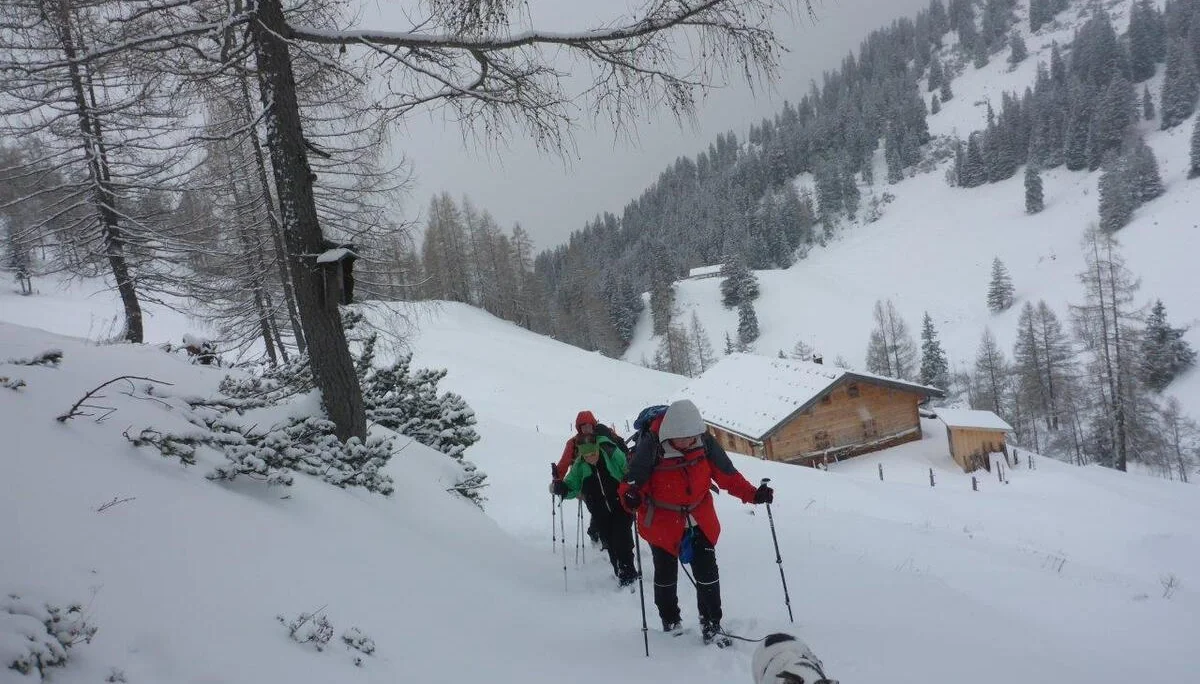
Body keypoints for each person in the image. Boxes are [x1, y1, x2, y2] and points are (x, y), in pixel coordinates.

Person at [618, 399, 774, 645]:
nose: (689, 442)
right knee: (666, 576)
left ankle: (712, 624)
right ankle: (670, 621)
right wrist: (631, 496)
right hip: (661, 522)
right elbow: (631, 485)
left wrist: (754, 494)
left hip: (699, 518)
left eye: (693, 438)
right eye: (683, 438)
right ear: (670, 433)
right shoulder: (651, 446)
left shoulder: (704, 442)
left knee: (708, 573)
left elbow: (728, 476)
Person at [550, 429, 638, 586]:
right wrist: (561, 488)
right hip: (599, 511)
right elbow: (572, 486)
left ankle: (629, 574)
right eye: (587, 455)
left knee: (622, 539)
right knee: (610, 542)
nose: (591, 457)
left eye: (593, 453)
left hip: (621, 505)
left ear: (597, 447)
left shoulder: (611, 452)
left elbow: (627, 469)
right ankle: (619, 571)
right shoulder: (579, 466)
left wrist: (632, 488)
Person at [553, 411, 624, 546]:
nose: (586, 428)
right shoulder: (573, 443)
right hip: (582, 480)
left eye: (588, 425)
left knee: (608, 504)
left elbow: (619, 454)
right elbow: (564, 462)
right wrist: (559, 480)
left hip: (608, 478)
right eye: (582, 426)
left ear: (593, 425)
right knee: (597, 504)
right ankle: (602, 536)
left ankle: (602, 534)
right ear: (578, 428)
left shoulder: (603, 438)